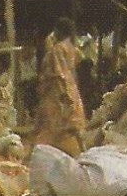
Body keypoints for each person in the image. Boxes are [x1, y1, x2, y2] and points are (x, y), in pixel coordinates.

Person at [32, 17, 87, 154]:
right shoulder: (70, 47)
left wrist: (63, 94)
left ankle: (41, 154)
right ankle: (82, 150)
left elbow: (59, 72)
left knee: (50, 123)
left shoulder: (58, 49)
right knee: (72, 123)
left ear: (59, 30)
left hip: (57, 91)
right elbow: (71, 70)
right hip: (70, 87)